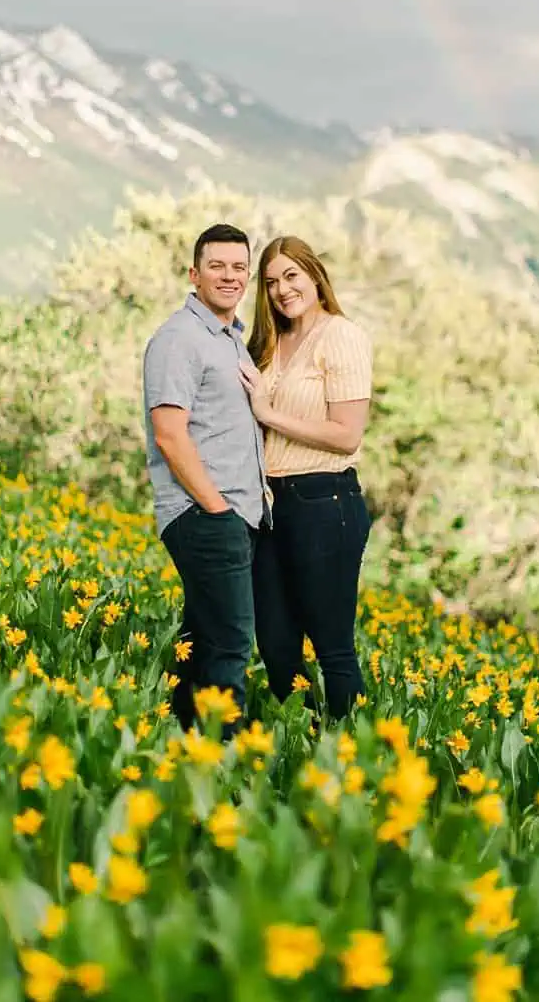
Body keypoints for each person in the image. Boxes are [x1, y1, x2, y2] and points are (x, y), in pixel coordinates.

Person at [142, 223, 271, 739]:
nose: (229, 276)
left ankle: (175, 743)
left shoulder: (231, 341)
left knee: (200, 640)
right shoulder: (179, 339)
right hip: (207, 515)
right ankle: (220, 767)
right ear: (194, 274)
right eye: (217, 266)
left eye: (239, 267)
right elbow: (170, 434)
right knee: (231, 645)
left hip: (232, 514)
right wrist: (219, 510)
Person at [240, 235, 373, 721]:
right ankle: (308, 740)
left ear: (315, 275)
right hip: (272, 506)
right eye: (271, 281)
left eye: (291, 276)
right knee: (275, 644)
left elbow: (346, 435)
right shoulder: (272, 342)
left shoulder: (341, 336)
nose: (281, 290)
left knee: (332, 646)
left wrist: (268, 413)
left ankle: (355, 758)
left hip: (324, 500)